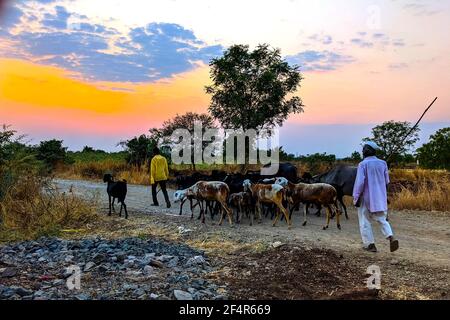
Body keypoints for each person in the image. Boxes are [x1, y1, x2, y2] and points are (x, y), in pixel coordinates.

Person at [352, 141, 399, 253]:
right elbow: (387, 182)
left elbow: (360, 183)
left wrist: (356, 197)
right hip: (380, 197)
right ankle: (391, 236)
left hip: (366, 198)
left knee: (365, 221)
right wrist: (384, 196)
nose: (363, 151)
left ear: (369, 151)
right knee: (382, 219)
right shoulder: (383, 163)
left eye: (364, 149)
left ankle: (370, 245)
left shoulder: (363, 164)